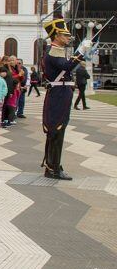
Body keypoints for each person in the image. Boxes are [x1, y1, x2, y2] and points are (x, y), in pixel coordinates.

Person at [41, 16, 89, 180]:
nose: (68, 37)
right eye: (65, 35)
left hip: (61, 94)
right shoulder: (54, 50)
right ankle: (53, 168)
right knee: (57, 129)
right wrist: (81, 52)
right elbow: (66, 66)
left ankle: (53, 165)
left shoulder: (57, 50)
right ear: (56, 36)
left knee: (57, 130)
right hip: (59, 95)